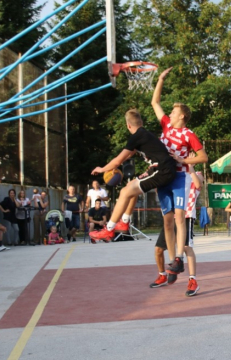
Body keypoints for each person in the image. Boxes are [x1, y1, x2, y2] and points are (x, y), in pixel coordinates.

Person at [151, 66, 208, 277]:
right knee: (167, 220)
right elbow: (154, 102)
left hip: (179, 177)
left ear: (182, 116)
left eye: (174, 111)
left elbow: (203, 157)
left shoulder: (188, 134)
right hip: (163, 177)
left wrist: (182, 159)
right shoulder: (166, 126)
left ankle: (179, 259)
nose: (170, 112)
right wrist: (160, 79)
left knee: (179, 216)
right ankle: (172, 262)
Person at [89, 109, 177, 243]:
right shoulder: (144, 134)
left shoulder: (137, 136)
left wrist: (102, 169)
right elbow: (128, 154)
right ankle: (124, 222)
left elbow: (118, 160)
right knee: (131, 186)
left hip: (162, 170)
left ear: (128, 125)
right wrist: (114, 166)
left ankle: (109, 229)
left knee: (125, 192)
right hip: (160, 168)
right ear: (140, 122)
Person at [150, 168, 204, 297]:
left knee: (186, 247)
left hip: (186, 216)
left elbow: (199, 185)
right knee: (158, 249)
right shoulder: (174, 174)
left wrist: (190, 169)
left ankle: (193, 280)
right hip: (171, 218)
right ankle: (162, 275)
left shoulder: (197, 174)